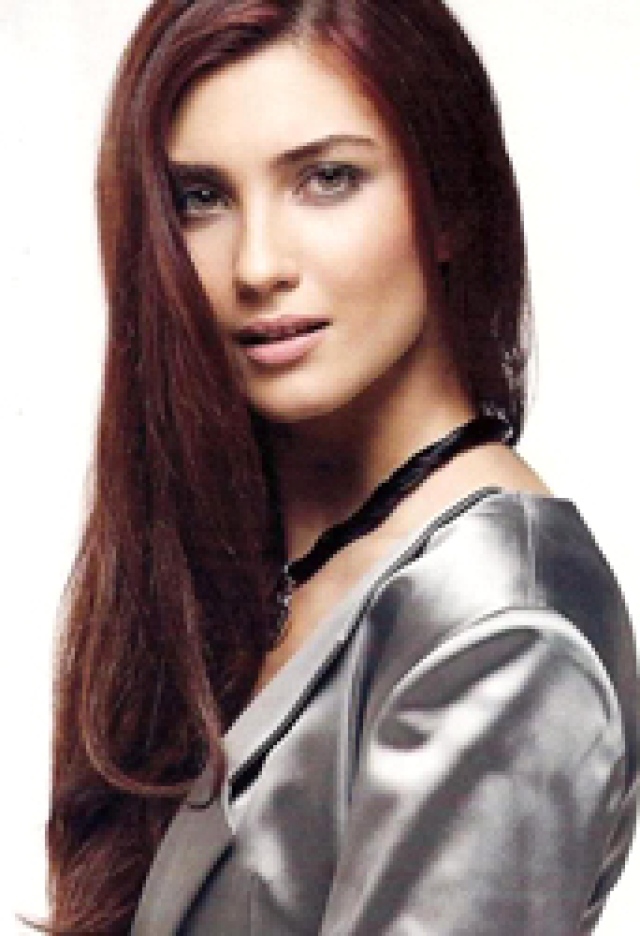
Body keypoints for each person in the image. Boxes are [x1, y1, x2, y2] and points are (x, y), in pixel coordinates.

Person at [45, 1, 639, 933]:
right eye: (201, 197)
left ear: (451, 202)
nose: (257, 265)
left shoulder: (502, 630)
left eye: (327, 178)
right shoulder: (273, 558)